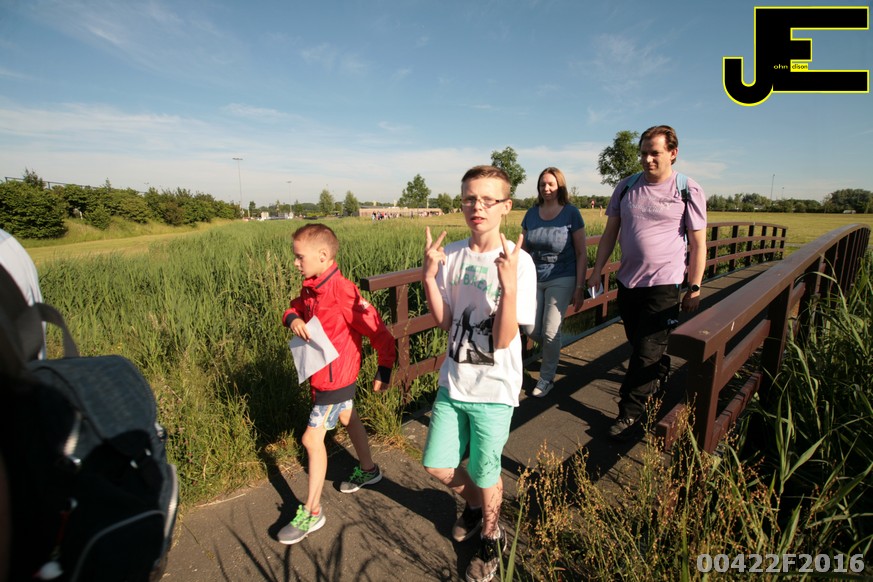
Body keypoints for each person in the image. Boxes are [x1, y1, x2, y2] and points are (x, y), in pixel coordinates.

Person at [422, 166, 537, 582]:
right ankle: (474, 505)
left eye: (489, 200)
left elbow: (504, 339)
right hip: (454, 382)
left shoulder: (519, 262)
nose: (478, 207)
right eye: (470, 198)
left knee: (488, 473)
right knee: (437, 465)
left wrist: (508, 286)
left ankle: (491, 536)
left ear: (506, 206)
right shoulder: (452, 254)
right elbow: (445, 320)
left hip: (493, 389)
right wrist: (428, 276)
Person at [586, 125, 707, 441]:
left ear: (673, 153)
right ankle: (660, 370)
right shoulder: (626, 187)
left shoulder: (687, 189)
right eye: (643, 153)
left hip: (665, 283)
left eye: (655, 153)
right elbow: (610, 233)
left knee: (645, 350)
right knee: (640, 342)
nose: (647, 159)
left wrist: (694, 286)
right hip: (629, 282)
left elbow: (698, 243)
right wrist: (597, 270)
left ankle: (630, 412)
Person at [278, 223, 397, 544]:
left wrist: (385, 366)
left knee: (311, 440)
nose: (295, 263)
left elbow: (377, 329)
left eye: (299, 257)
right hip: (320, 374)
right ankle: (369, 469)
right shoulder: (311, 287)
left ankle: (312, 511)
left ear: (322, 255)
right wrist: (293, 318)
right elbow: (294, 307)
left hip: (336, 379)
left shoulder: (342, 291)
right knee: (348, 417)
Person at [521, 167, 587, 397]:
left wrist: (580, 286)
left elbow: (581, 253)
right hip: (534, 276)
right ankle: (553, 346)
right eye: (542, 184)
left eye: (551, 184)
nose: (546, 188)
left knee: (550, 332)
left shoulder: (571, 213)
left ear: (560, 186)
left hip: (562, 276)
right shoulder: (531, 214)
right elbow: (523, 250)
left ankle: (546, 378)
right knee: (529, 327)